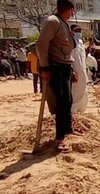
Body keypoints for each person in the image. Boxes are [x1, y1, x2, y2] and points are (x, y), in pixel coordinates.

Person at [36, 0, 77, 152]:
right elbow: (41, 45)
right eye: (72, 11)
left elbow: (66, 50)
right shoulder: (53, 21)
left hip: (65, 67)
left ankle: (67, 129)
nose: (73, 14)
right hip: (56, 67)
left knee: (68, 100)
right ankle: (59, 138)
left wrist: (71, 70)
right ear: (68, 9)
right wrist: (45, 67)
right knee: (61, 102)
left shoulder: (63, 23)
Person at [70, 25, 88, 113]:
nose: (79, 32)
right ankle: (73, 112)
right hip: (75, 71)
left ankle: (81, 111)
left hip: (83, 70)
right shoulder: (70, 41)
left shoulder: (80, 42)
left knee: (84, 91)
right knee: (75, 91)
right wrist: (72, 70)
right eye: (77, 30)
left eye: (80, 30)